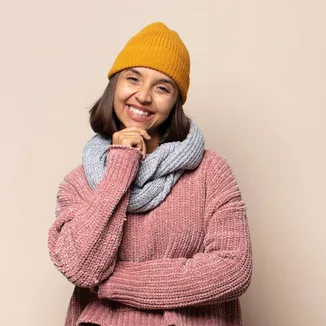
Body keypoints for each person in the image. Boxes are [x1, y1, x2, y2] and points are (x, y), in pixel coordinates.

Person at [47, 22, 252, 326]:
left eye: (162, 87)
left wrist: (112, 283)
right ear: (114, 85)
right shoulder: (78, 184)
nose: (143, 96)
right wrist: (120, 165)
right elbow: (81, 268)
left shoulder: (210, 172)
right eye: (133, 79)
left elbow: (233, 269)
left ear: (175, 103)